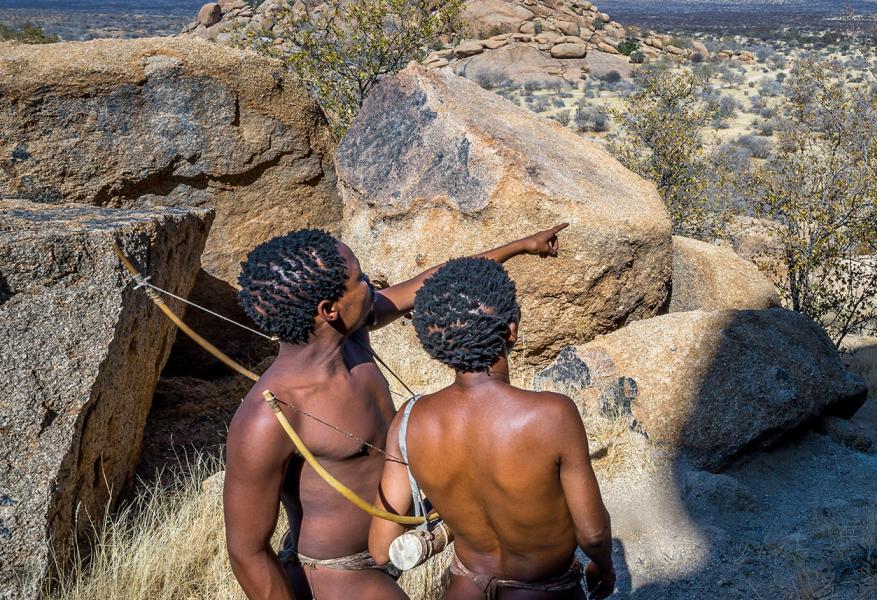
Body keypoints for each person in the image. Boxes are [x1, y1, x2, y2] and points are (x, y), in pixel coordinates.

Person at [224, 225, 566, 600]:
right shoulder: (269, 416)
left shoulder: (352, 332)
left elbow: (432, 284)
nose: (370, 285)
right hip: (339, 572)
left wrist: (519, 245)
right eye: (360, 279)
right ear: (329, 310)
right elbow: (247, 551)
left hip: (392, 543)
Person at [369, 257, 614, 600]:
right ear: (511, 330)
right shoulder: (552, 415)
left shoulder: (409, 420)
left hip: (463, 590)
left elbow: (381, 548)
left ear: (434, 343)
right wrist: (603, 566)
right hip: (544, 592)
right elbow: (592, 534)